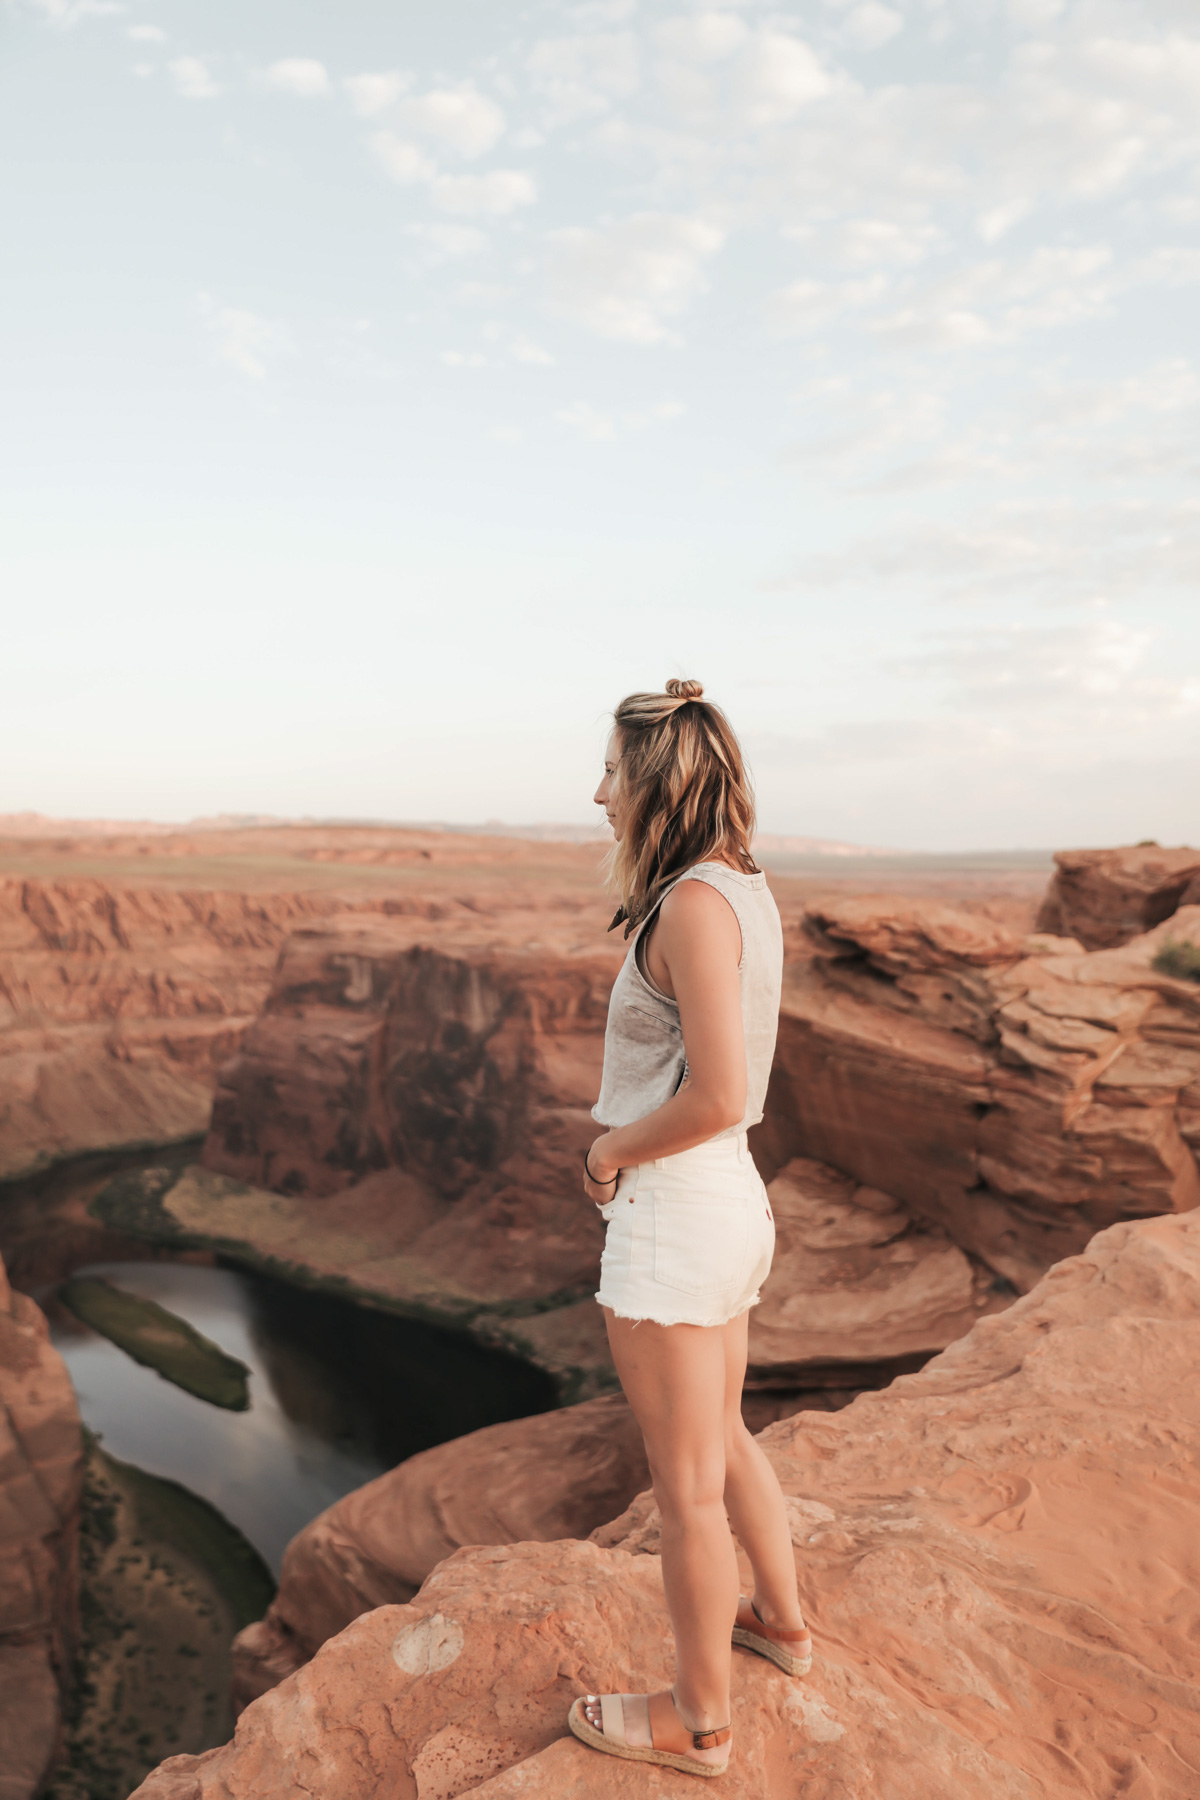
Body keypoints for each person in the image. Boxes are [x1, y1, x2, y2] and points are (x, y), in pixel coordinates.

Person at [566, 678, 811, 1781]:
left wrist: (611, 1151)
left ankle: (700, 1721)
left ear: (656, 784)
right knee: (725, 1437)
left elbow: (715, 1093)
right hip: (725, 1205)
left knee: (686, 1491)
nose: (599, 793)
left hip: (678, 1212)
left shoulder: (695, 909)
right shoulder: (739, 889)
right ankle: (785, 1626)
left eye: (614, 773)